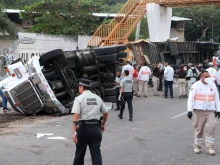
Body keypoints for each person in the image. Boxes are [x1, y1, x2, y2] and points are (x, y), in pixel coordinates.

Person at [71, 79, 109, 165]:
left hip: (83, 129)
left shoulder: (79, 99)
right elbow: (106, 113)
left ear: (81, 87)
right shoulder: (97, 98)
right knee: (96, 155)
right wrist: (103, 124)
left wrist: (73, 132)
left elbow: (76, 116)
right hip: (96, 129)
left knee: (79, 154)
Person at [187, 71, 220, 155]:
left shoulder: (212, 85)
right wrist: (189, 110)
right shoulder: (196, 85)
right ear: (201, 77)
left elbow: (216, 98)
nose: (208, 78)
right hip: (199, 110)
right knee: (199, 129)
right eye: (206, 76)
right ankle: (197, 146)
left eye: (209, 76)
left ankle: (210, 147)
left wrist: (218, 110)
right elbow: (191, 98)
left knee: (211, 127)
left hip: (210, 110)